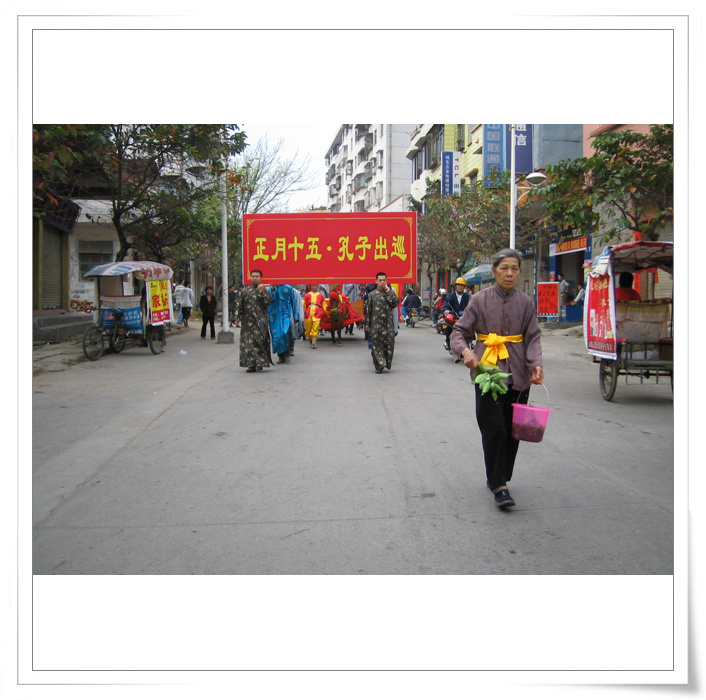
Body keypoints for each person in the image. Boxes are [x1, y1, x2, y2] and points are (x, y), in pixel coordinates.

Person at [450, 248, 544, 509]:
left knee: (514, 431)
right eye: (504, 268)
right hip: (487, 374)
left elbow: (533, 337)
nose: (509, 273)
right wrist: (466, 351)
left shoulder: (526, 303)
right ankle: (500, 485)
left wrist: (536, 364)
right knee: (494, 428)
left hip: (519, 375)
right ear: (494, 272)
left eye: (514, 268)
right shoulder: (479, 300)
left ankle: (499, 475)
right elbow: (459, 332)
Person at [236, 269, 273, 372]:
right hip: (247, 322)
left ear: (261, 278)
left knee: (259, 342)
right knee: (248, 343)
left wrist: (261, 292)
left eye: (257, 276)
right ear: (250, 278)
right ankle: (251, 364)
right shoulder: (245, 291)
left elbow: (268, 303)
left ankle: (260, 363)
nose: (255, 278)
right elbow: (239, 305)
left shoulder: (265, 291)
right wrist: (236, 317)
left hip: (260, 321)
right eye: (253, 276)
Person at [364, 272, 399, 373]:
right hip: (376, 325)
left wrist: (388, 292)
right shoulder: (372, 295)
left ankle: (385, 363)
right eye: (380, 280)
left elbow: (395, 303)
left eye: (384, 280)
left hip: (388, 325)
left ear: (386, 281)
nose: (382, 282)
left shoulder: (390, 293)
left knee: (388, 346)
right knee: (376, 346)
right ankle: (379, 366)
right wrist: (367, 326)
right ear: (376, 281)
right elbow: (368, 311)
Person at [268, 284, 297, 363]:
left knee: (285, 333)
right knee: (276, 336)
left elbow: (293, 301)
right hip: (274, 316)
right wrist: (273, 289)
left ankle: (286, 354)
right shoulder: (270, 288)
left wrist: (296, 316)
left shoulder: (289, 288)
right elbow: (268, 300)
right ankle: (280, 355)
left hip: (285, 314)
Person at [442, 278, 471, 351]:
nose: (460, 287)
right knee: (448, 326)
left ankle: (470, 341)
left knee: (472, 327)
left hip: (464, 318)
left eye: (462, 285)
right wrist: (446, 310)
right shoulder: (450, 296)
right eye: (458, 285)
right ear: (456, 286)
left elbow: (472, 306)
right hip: (454, 317)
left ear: (464, 287)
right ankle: (448, 342)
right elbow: (446, 305)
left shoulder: (468, 297)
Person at [303, 283, 325, 349]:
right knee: (308, 327)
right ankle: (310, 337)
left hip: (317, 312)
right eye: (312, 285)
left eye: (315, 285)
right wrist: (303, 311)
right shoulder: (307, 295)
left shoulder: (320, 295)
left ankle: (314, 342)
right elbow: (303, 303)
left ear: (317, 286)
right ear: (310, 286)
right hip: (308, 312)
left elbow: (324, 305)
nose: (314, 287)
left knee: (315, 326)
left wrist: (326, 312)